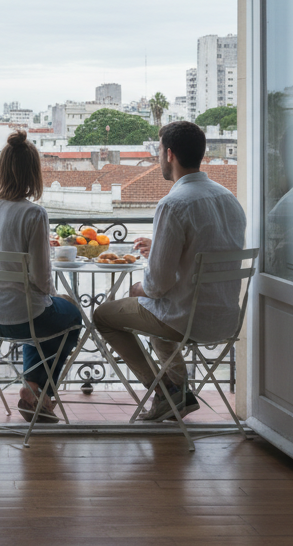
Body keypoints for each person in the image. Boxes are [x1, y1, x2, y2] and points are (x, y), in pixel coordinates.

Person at [92, 121, 246, 422]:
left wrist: (140, 288)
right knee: (154, 310)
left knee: (105, 315)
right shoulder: (229, 199)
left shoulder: (173, 204)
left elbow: (157, 284)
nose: (158, 158)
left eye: (158, 152)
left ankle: (166, 391)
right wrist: (161, 246)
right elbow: (206, 249)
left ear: (170, 154)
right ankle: (176, 390)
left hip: (185, 320)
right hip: (226, 317)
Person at [0, 129, 82, 423]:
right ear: (34, 173)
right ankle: (37, 390)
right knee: (71, 317)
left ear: (2, 169)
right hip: (24, 319)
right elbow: (42, 280)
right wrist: (59, 297)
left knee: (44, 322)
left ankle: (34, 392)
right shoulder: (33, 214)